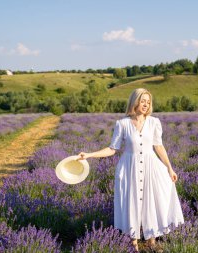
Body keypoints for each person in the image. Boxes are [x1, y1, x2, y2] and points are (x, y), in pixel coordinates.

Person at [77, 88, 184, 252]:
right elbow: (113, 149)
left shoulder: (154, 122)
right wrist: (89, 155)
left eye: (148, 102)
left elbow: (158, 146)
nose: (146, 105)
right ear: (135, 101)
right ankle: (133, 242)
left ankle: (151, 241)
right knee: (131, 202)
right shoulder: (123, 124)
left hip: (151, 167)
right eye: (143, 101)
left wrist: (170, 168)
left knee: (152, 200)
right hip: (129, 168)